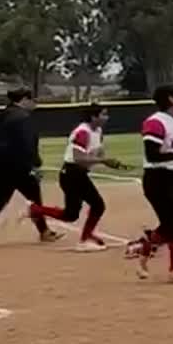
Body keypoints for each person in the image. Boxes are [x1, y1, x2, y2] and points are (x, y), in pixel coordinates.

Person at [32, 103, 127, 251]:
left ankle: (36, 209)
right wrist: (102, 161)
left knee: (70, 215)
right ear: (93, 116)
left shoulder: (98, 131)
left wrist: (110, 163)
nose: (106, 117)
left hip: (77, 174)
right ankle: (84, 240)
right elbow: (78, 158)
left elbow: (98, 153)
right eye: (103, 114)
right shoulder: (83, 132)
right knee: (97, 205)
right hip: (72, 174)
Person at [134, 85, 173, 284]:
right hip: (159, 178)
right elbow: (152, 154)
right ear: (171, 99)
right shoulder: (155, 122)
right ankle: (170, 266)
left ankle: (169, 264)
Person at [0, 89, 60, 248]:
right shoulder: (22, 117)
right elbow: (27, 144)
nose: (35, 103)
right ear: (24, 100)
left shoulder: (5, 114)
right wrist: (35, 164)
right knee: (34, 199)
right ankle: (44, 232)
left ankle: (44, 231)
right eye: (32, 100)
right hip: (17, 167)